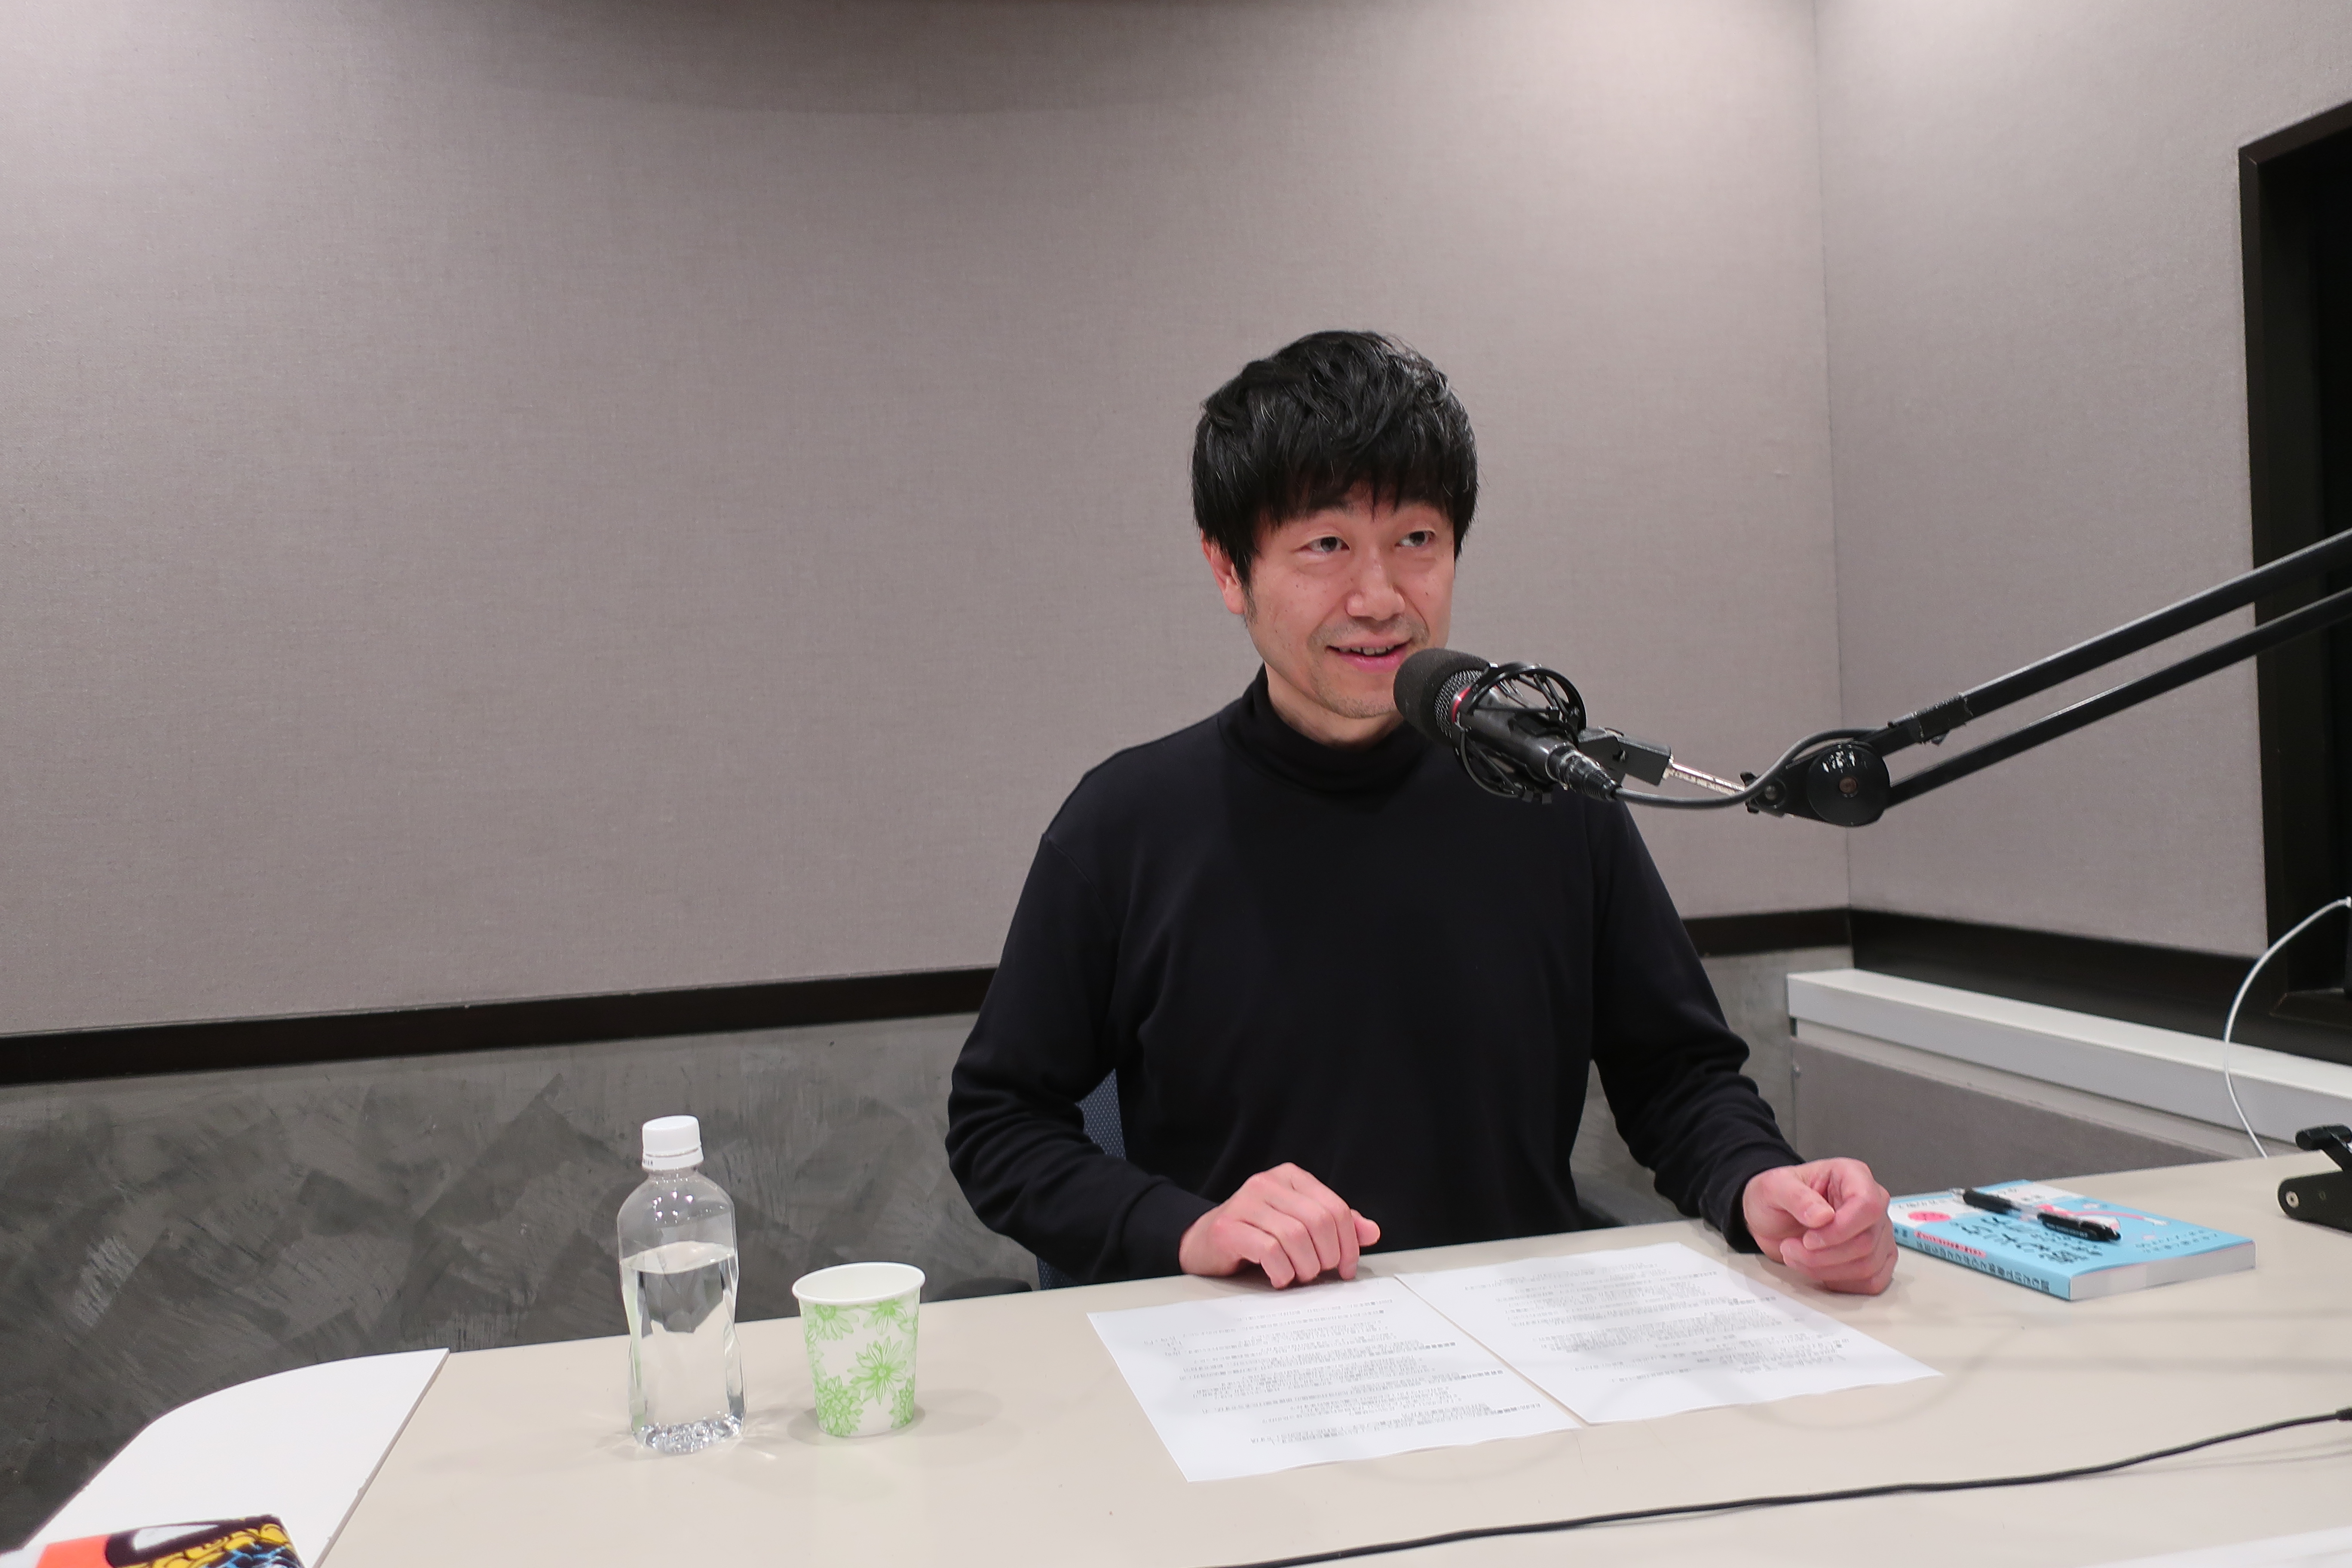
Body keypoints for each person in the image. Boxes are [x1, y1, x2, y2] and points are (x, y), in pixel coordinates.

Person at [944, 331, 1897, 1296]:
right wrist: (1188, 1228)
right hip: (1243, 1342)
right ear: (1229, 569)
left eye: (1416, 541)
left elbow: (1679, 1074)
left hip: (1522, 1335)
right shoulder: (1126, 825)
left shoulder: (1550, 795)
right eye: (1326, 546)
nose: (1379, 598)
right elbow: (999, 1125)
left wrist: (1760, 1183)